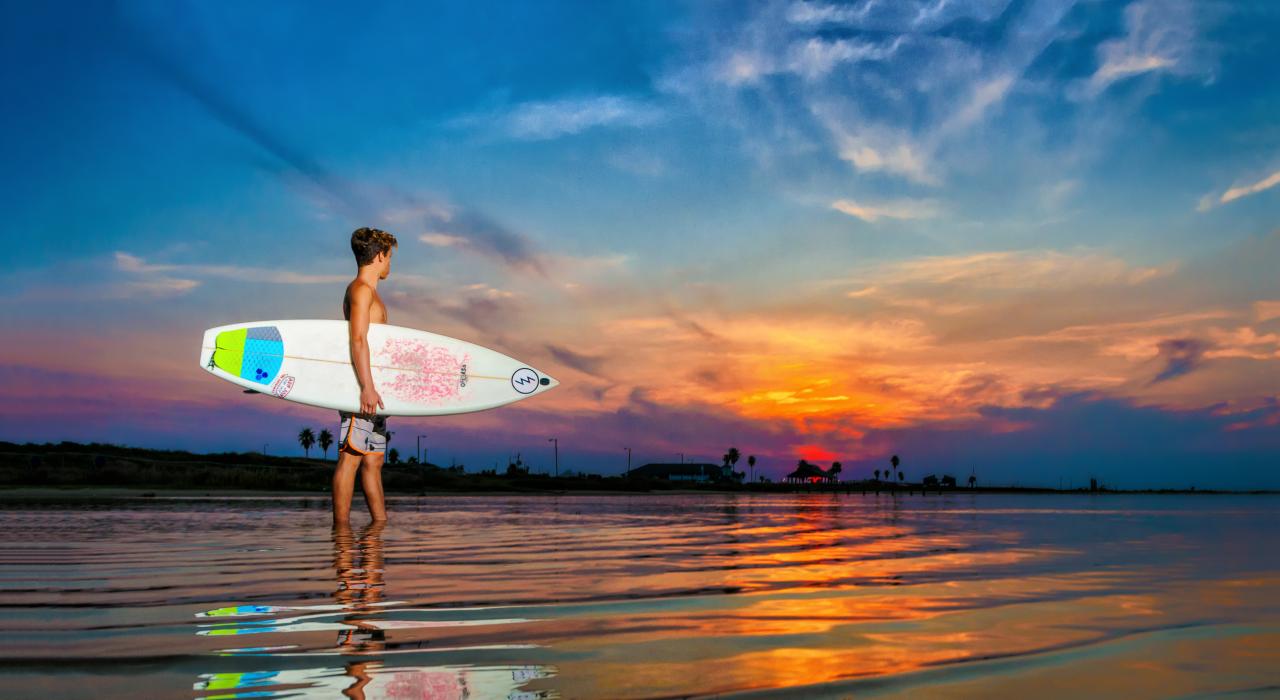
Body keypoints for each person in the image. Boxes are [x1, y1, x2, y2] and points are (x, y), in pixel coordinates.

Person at [334, 226, 397, 524]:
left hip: (374, 392)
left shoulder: (371, 294)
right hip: (362, 390)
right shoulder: (360, 290)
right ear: (380, 255)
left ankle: (379, 528)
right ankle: (341, 533)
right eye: (390, 257)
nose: (390, 263)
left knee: (374, 460)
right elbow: (357, 340)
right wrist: (367, 387)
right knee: (351, 458)